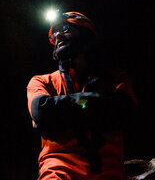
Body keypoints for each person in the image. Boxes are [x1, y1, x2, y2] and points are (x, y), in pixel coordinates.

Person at [27, 12, 137, 180]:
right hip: (59, 170)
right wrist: (93, 103)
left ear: (86, 34)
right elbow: (42, 112)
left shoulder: (116, 78)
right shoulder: (42, 81)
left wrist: (63, 110)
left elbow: (124, 111)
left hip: (108, 172)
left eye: (65, 28)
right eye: (54, 33)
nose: (57, 35)